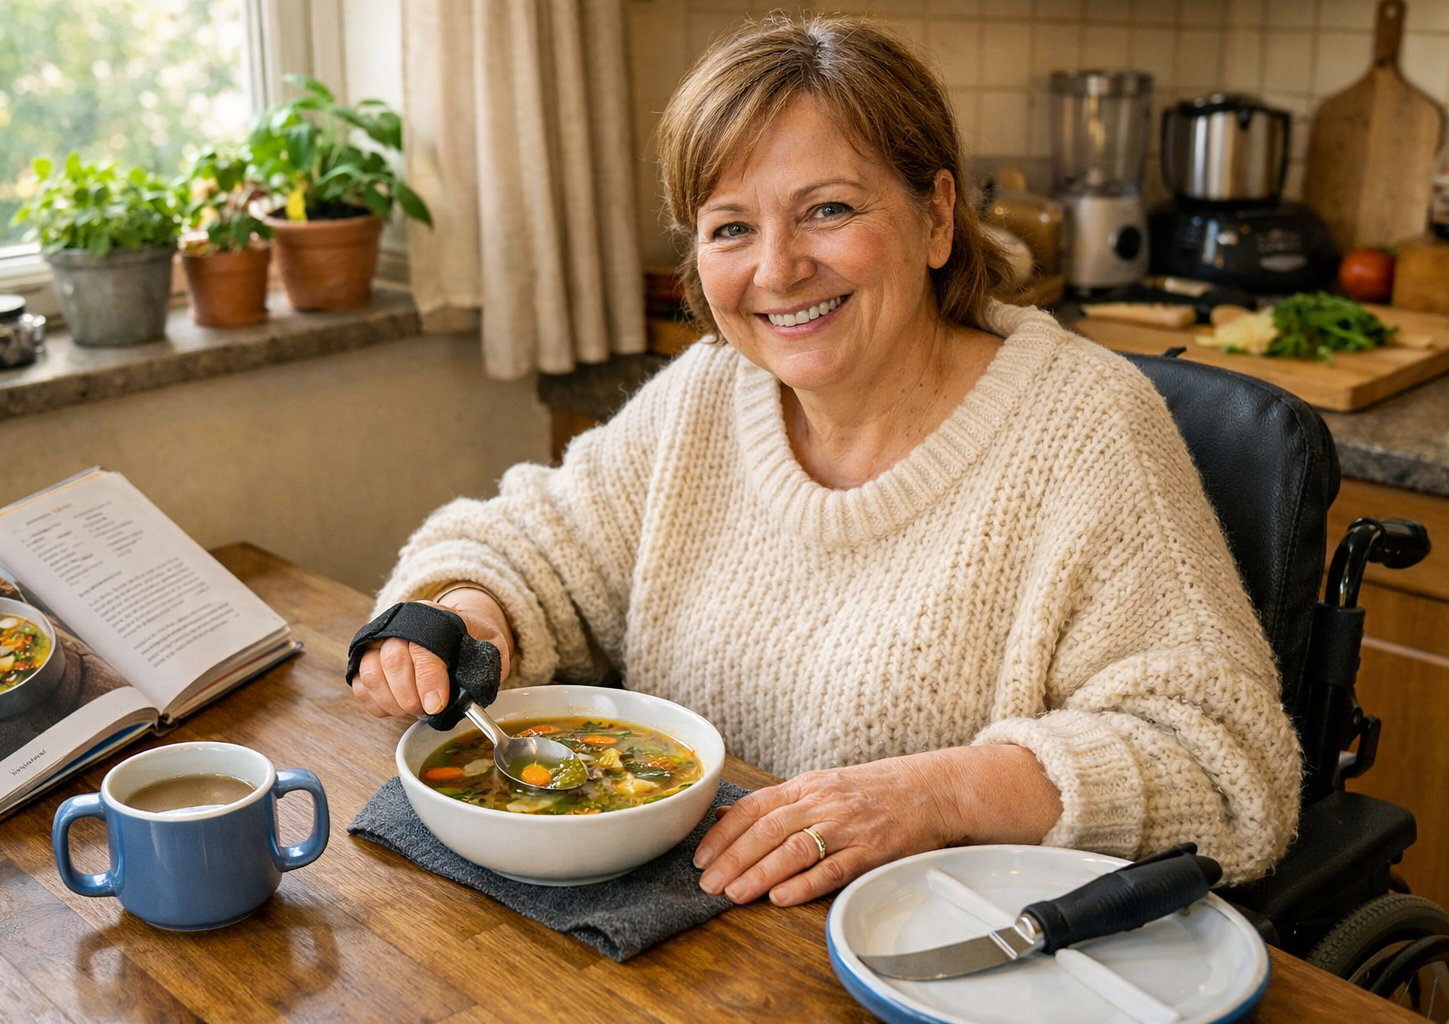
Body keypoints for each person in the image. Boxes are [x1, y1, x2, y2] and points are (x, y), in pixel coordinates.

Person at [352, 14, 1300, 908]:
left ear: (936, 218)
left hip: (942, 956)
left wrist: (942, 796)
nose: (776, 269)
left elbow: (1227, 765)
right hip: (696, 944)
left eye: (828, 210)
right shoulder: (709, 394)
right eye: (730, 227)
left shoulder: (1088, 428)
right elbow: (532, 545)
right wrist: (464, 608)